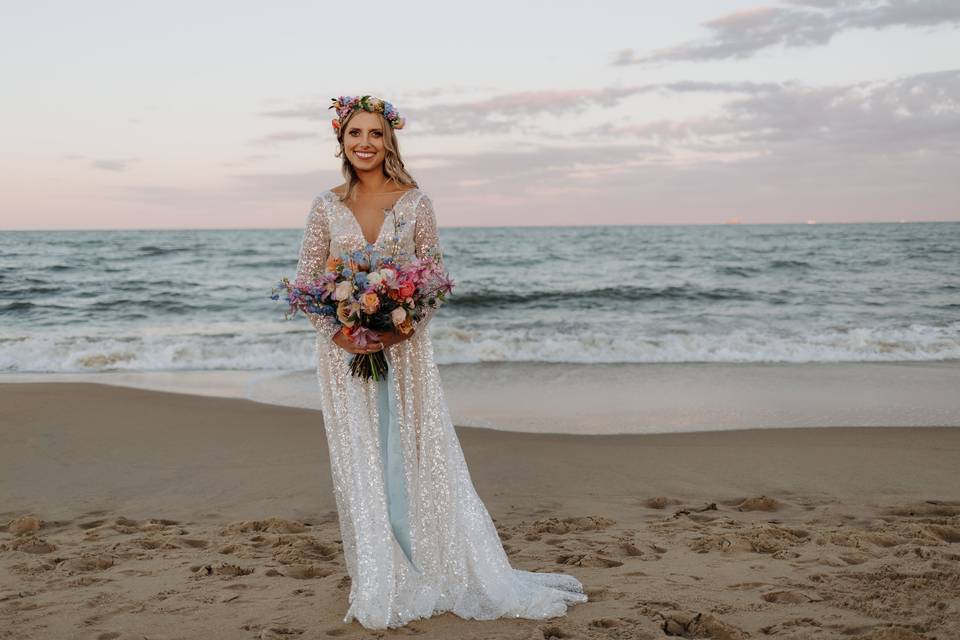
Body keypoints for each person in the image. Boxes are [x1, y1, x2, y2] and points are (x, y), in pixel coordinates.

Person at [294, 95, 588, 629]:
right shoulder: (324, 205)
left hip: (404, 352)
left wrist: (400, 326)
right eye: (355, 133)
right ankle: (385, 572)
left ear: (390, 141)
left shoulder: (415, 201)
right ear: (340, 139)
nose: (365, 143)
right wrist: (338, 333)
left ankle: (435, 560)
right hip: (341, 353)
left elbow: (431, 279)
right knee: (364, 455)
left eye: (375, 134)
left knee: (411, 450)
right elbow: (308, 280)